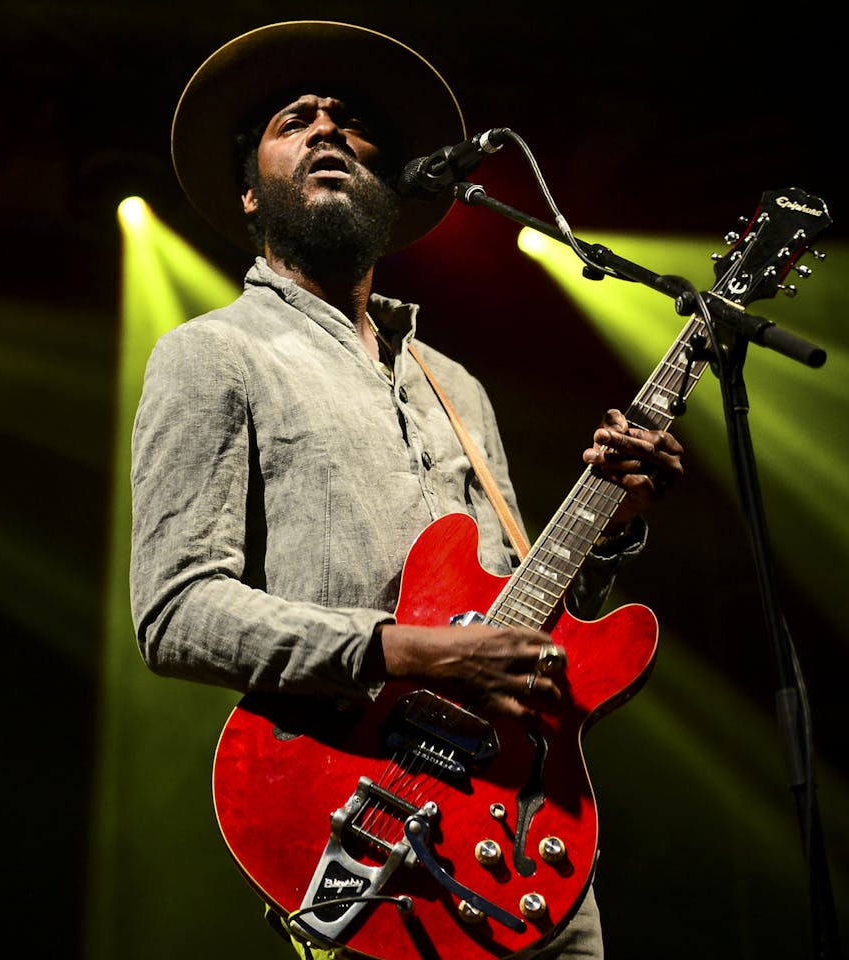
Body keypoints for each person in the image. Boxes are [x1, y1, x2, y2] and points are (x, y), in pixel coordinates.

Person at [128, 20, 685, 960]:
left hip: (517, 833)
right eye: (293, 120)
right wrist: (405, 652)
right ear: (249, 188)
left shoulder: (453, 385)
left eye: (351, 122)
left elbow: (518, 614)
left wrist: (614, 520)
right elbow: (175, 612)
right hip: (358, 813)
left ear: (396, 184)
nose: (327, 131)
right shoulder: (212, 355)